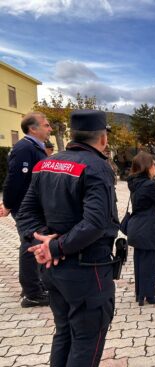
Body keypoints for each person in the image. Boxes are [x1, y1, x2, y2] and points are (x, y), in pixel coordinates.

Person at [15, 110, 119, 366]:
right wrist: (55, 248)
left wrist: (41, 242)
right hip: (87, 271)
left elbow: (26, 211)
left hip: (52, 271)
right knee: (86, 340)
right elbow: (96, 223)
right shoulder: (97, 167)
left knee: (64, 333)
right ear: (103, 138)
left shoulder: (45, 164)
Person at [0, 112, 51, 308]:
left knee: (35, 245)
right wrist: (9, 205)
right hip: (26, 207)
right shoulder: (24, 148)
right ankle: (32, 294)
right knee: (30, 247)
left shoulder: (34, 148)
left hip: (34, 206)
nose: (49, 129)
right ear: (33, 128)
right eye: (46, 125)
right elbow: (14, 180)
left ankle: (35, 286)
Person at [127, 151, 155, 306]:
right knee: (151, 263)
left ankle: (140, 293)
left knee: (139, 262)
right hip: (149, 228)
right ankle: (149, 295)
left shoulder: (133, 182)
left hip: (137, 227)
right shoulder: (150, 185)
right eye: (154, 164)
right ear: (147, 167)